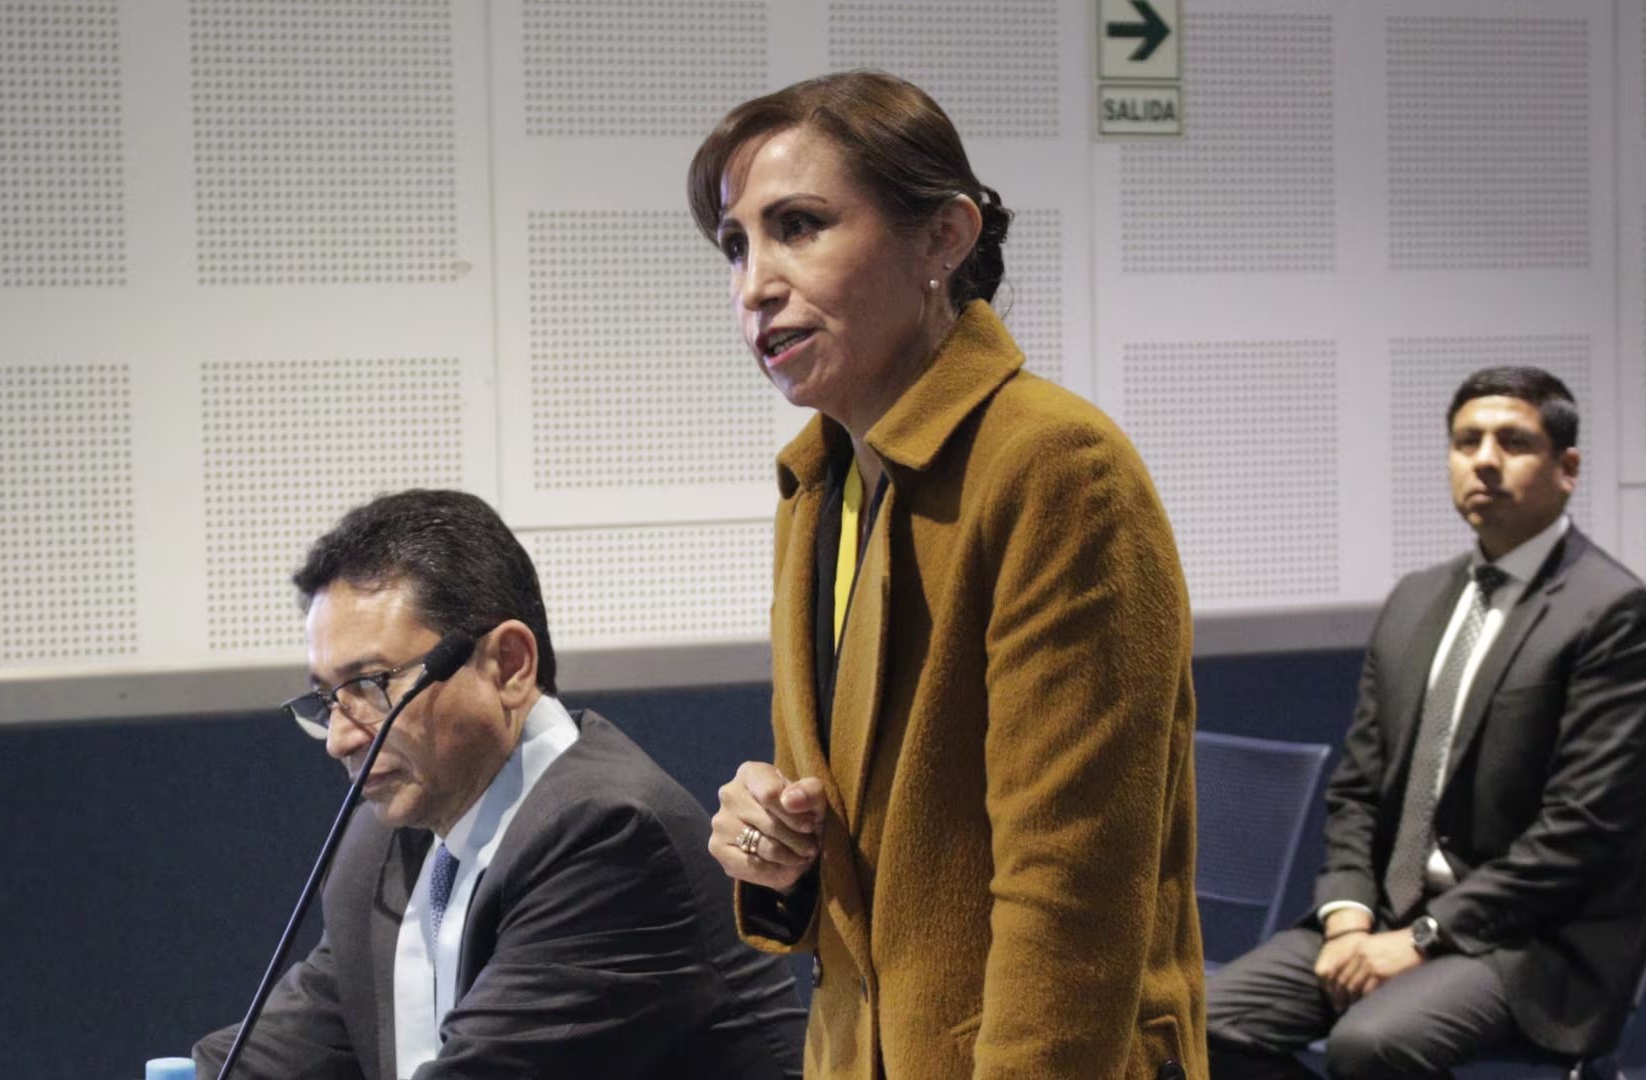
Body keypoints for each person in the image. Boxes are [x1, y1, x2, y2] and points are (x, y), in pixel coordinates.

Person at [687, 71, 1207, 1078]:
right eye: (736, 244)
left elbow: (1072, 902)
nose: (755, 283)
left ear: (944, 238)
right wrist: (770, 850)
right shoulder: (821, 482)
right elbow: (864, 873)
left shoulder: (1054, 465)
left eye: (800, 226)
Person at [194, 489, 807, 1079]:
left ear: (510, 665)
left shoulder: (609, 836)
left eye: (373, 684)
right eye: (328, 699)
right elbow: (286, 1051)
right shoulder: (385, 842)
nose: (341, 738)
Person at [1206, 367, 1646, 1079]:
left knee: (1372, 1044)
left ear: (1567, 469)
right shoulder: (1417, 601)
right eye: (1465, 440)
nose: (1483, 458)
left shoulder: (1612, 613)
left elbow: (1582, 833)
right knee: (1196, 1024)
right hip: (1385, 919)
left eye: (1513, 442)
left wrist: (1423, 936)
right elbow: (1357, 791)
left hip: (1530, 945)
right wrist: (1350, 913)